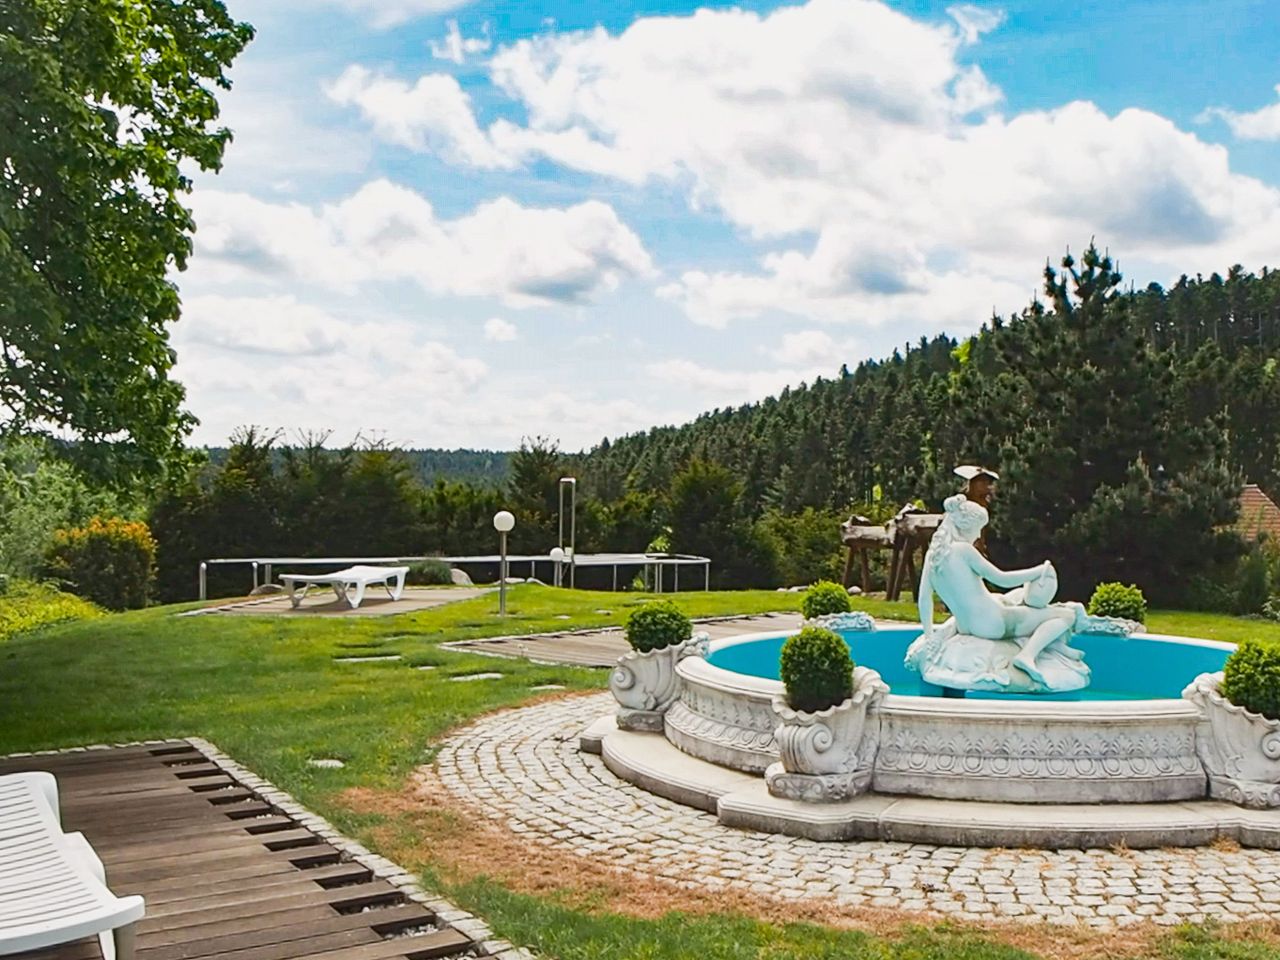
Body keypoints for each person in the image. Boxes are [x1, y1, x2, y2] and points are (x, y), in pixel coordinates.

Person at [917, 494, 1082, 687]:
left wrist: (929, 637)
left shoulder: (933, 556)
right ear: (966, 526)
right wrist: (1038, 571)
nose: (978, 535)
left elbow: (924, 599)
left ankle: (1055, 646)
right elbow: (1002, 578)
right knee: (1065, 615)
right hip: (992, 624)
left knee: (1018, 596)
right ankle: (1027, 655)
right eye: (978, 529)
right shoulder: (964, 550)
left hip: (967, 626)